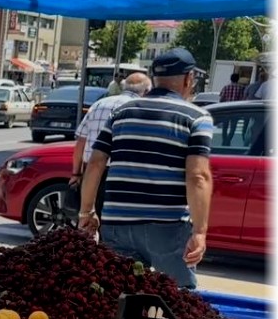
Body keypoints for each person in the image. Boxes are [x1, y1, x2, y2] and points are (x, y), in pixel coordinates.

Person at [78, 48, 214, 289]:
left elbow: (96, 162)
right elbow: (198, 176)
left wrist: (86, 212)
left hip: (117, 224)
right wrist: (200, 232)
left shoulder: (121, 113)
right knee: (178, 299)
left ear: (155, 78)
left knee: (118, 296)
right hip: (168, 227)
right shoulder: (196, 117)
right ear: (188, 78)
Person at [68, 71, 152, 216]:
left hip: (90, 172)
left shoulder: (99, 104)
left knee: (88, 221)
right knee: (114, 223)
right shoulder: (141, 109)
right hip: (121, 176)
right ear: (146, 91)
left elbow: (81, 142)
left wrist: (76, 173)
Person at [218, 73, 246, 144]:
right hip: (235, 110)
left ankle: (224, 140)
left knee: (225, 126)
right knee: (233, 127)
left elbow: (221, 100)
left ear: (231, 79)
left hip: (226, 110)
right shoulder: (241, 88)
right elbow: (242, 100)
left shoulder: (226, 87)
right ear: (238, 79)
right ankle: (228, 140)